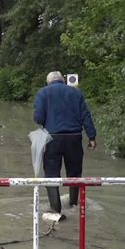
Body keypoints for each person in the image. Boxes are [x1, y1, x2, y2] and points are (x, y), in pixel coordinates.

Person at [33, 71, 97, 213]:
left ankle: (56, 209)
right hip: (74, 138)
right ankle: (73, 206)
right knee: (74, 174)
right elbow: (86, 116)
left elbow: (38, 118)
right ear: (62, 80)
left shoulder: (43, 93)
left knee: (51, 174)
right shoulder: (76, 92)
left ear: (48, 81)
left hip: (52, 138)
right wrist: (91, 137)